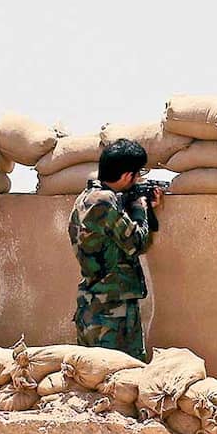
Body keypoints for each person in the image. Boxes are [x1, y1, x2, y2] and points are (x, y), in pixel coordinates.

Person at [68, 138, 163, 361]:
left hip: (93, 306)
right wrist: (140, 207)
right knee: (121, 378)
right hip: (112, 313)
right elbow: (137, 242)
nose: (138, 179)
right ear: (127, 176)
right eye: (137, 174)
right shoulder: (104, 200)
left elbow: (112, 238)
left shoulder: (85, 198)